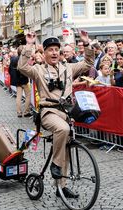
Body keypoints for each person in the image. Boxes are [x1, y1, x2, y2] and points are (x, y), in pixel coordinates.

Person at [17, 31, 94, 198]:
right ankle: (56, 165)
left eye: (56, 50)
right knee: (63, 130)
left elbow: (88, 63)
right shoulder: (38, 70)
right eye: (50, 50)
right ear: (44, 53)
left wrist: (87, 44)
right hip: (48, 112)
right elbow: (22, 67)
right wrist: (29, 45)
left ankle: (62, 186)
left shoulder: (69, 67)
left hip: (65, 112)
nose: (54, 53)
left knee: (65, 147)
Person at [9, 46, 31, 118]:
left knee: (18, 96)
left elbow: (10, 70)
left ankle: (19, 112)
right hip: (24, 80)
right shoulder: (24, 60)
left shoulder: (13, 59)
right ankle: (26, 112)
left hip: (17, 81)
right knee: (28, 95)